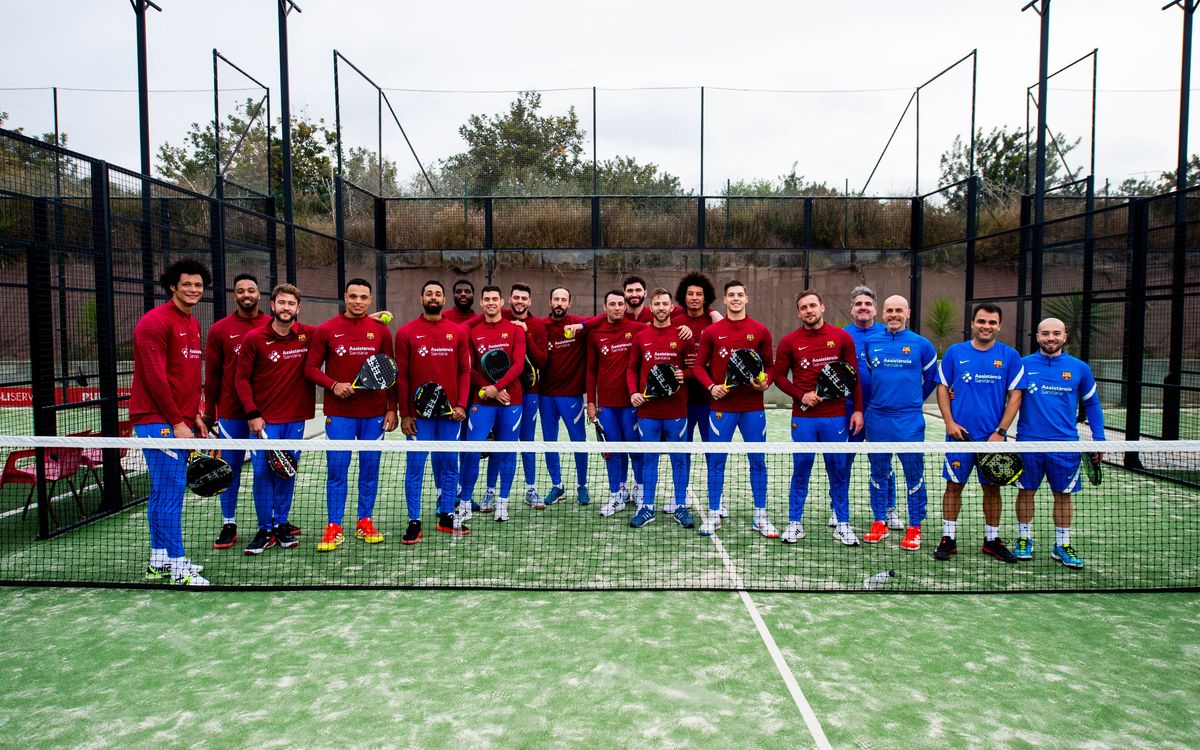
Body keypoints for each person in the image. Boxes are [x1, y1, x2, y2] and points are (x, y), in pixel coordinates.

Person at [130, 257, 211, 586]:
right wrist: (177, 422)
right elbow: (155, 379)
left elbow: (186, 378)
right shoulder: (154, 323)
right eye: (187, 284)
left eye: (198, 285)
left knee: (162, 492)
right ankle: (178, 565)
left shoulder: (191, 323)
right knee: (172, 492)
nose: (193, 290)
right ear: (172, 286)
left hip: (180, 419)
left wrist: (193, 415)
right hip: (157, 421)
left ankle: (159, 559)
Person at [304, 278, 397, 552]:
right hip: (339, 414)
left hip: (374, 415)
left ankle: (364, 521)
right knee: (337, 470)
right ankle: (334, 526)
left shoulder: (381, 332)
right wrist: (333, 384)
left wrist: (392, 408)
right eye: (353, 296)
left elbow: (391, 372)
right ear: (345, 297)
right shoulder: (326, 330)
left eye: (363, 297)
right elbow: (310, 368)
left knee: (369, 470)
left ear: (369, 300)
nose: (358, 301)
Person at [771, 290, 864, 546]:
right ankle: (795, 523)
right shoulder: (789, 342)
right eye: (803, 307)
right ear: (798, 312)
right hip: (803, 419)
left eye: (813, 305)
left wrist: (857, 409)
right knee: (801, 469)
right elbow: (778, 377)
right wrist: (802, 395)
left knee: (839, 470)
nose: (809, 310)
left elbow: (852, 376)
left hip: (835, 417)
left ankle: (842, 523)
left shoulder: (842, 338)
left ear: (822, 307)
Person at [934, 302, 1025, 563]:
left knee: (992, 489)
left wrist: (1000, 432)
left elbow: (1015, 396)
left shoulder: (1009, 356)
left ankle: (992, 540)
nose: (986, 326)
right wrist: (949, 422)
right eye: (981, 321)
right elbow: (942, 387)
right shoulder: (954, 353)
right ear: (972, 323)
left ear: (999, 326)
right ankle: (948, 538)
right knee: (953, 486)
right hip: (958, 438)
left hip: (992, 439)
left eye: (992, 322)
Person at [1013, 317, 1106, 569]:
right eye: (1045, 333)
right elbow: (1005, 397)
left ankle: (1062, 544)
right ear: (1037, 336)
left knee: (1063, 496)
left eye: (1056, 333)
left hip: (1065, 445)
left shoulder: (1079, 368)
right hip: (1028, 444)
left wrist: (1099, 440)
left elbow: (1092, 404)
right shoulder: (1022, 365)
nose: (1050, 338)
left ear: (1064, 337)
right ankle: (1024, 538)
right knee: (1026, 492)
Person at [233, 283, 315, 555]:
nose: (286, 308)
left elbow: (337, 334)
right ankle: (264, 528)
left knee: (286, 471)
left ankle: (280, 524)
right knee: (261, 473)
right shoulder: (255, 339)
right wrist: (253, 414)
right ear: (273, 305)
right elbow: (241, 379)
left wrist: (364, 321)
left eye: (291, 304)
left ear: (298, 308)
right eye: (282, 303)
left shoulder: (307, 336)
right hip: (265, 423)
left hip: (295, 420)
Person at [692, 280, 774, 537]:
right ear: (725, 301)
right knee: (716, 461)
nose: (736, 299)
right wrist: (711, 387)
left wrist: (764, 382)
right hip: (721, 408)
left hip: (752, 409)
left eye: (740, 294)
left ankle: (760, 516)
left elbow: (769, 367)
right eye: (731, 295)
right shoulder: (712, 332)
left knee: (758, 462)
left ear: (746, 299)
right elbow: (698, 367)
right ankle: (714, 512)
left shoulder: (760, 331)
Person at [395, 280, 471, 542]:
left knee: (450, 466)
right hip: (419, 417)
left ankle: (447, 515)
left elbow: (464, 371)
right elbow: (402, 376)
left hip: (450, 415)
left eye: (438, 293)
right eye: (429, 293)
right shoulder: (406, 333)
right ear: (421, 299)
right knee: (415, 467)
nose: (434, 297)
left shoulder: (457, 332)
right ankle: (414, 521)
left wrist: (461, 404)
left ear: (444, 299)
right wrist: (405, 413)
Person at [860, 295, 938, 550]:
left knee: (913, 474)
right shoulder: (872, 343)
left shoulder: (922, 345)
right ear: (882, 314)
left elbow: (930, 380)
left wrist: (912, 402)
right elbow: (873, 373)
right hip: (878, 419)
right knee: (878, 473)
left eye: (898, 310)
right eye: (889, 310)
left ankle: (915, 526)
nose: (894, 315)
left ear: (908, 312)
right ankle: (879, 521)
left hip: (909, 420)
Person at [202, 273, 266, 550]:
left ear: (260, 295)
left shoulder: (272, 324)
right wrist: (208, 412)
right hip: (231, 414)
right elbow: (213, 375)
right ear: (235, 296)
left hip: (265, 414)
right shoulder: (220, 330)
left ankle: (273, 523)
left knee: (266, 471)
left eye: (251, 290)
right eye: (241, 291)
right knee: (229, 471)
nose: (246, 295)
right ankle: (229, 523)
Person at [477, 283, 549, 510]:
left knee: (527, 442)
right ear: (507, 300)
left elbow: (541, 361)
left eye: (524, 298)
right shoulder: (501, 317)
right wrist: (497, 388)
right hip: (502, 394)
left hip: (529, 395)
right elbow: (473, 324)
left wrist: (525, 334)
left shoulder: (537, 324)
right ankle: (490, 491)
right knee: (500, 444)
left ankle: (531, 489)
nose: (519, 301)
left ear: (530, 302)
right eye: (516, 297)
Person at [627, 288, 693, 529]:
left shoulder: (683, 335)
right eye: (657, 304)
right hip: (648, 411)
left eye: (665, 303)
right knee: (649, 460)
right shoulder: (641, 336)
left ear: (671, 307)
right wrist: (634, 392)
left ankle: (681, 506)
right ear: (651, 307)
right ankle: (647, 508)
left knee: (679, 460)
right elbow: (632, 368)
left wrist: (683, 374)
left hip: (676, 411)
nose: (661, 308)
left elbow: (694, 368)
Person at [459, 285, 526, 523]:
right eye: (486, 299)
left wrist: (497, 388)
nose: (490, 303)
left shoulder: (515, 330)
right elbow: (470, 368)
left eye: (494, 299)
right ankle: (465, 503)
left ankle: (502, 504)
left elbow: (518, 365)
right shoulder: (472, 331)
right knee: (472, 452)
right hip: (482, 400)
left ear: (502, 302)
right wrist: (489, 391)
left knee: (507, 453)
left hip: (512, 400)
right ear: (481, 303)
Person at [840, 285, 899, 531]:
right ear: (852, 309)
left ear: (876, 309)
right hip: (848, 410)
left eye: (867, 304)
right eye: (858, 304)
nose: (863, 308)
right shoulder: (841, 336)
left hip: (880, 413)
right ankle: (838, 510)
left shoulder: (889, 335)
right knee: (843, 462)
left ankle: (889, 509)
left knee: (883, 464)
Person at [586, 290, 648, 517]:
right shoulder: (595, 334)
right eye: (611, 304)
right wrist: (591, 403)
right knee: (612, 452)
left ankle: (640, 491)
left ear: (625, 307)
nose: (616, 307)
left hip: (632, 405)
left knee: (635, 450)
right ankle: (617, 494)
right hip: (606, 407)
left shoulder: (639, 329)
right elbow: (591, 371)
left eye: (620, 304)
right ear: (604, 307)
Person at [537, 286, 592, 506]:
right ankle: (557, 485)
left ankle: (582, 486)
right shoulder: (541, 326)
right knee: (550, 442)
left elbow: (600, 320)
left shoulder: (578, 325)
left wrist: (582, 325)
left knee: (579, 442)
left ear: (569, 303)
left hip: (572, 396)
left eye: (563, 299)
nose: (559, 303)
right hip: (546, 396)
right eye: (556, 299)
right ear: (550, 302)